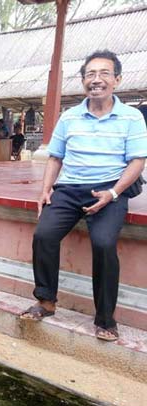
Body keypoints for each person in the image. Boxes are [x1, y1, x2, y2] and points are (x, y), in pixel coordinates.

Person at [20, 50, 147, 342]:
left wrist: (113, 193)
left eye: (104, 74)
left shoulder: (131, 117)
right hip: (68, 189)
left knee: (103, 244)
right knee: (44, 236)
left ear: (117, 79)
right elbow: (55, 158)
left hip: (110, 189)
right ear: (82, 81)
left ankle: (105, 319)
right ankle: (46, 301)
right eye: (90, 74)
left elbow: (137, 161)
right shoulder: (70, 116)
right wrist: (45, 189)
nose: (96, 80)